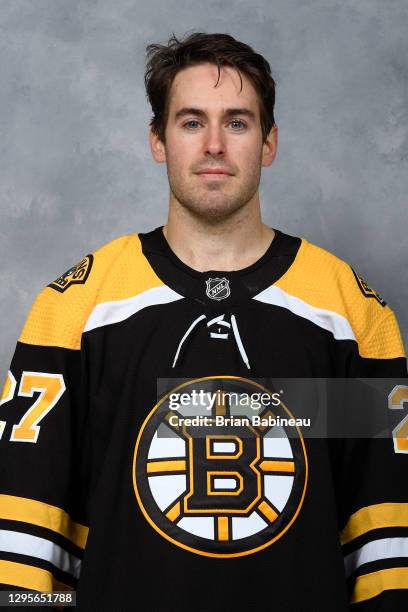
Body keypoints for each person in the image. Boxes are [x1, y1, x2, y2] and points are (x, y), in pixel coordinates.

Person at [0, 32, 407, 611]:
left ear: (269, 143)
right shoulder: (75, 308)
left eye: (237, 123)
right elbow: (23, 543)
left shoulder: (349, 311)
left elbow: (384, 544)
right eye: (191, 122)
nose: (214, 145)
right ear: (157, 141)